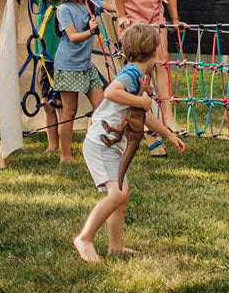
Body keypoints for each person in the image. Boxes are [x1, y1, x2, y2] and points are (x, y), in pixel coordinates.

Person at [73, 23, 185, 262]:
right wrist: (143, 101)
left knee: (121, 195)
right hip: (101, 143)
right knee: (117, 195)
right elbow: (111, 92)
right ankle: (84, 238)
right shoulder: (131, 73)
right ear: (155, 49)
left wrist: (168, 135)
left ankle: (116, 247)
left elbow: (146, 114)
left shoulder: (140, 75)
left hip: (112, 144)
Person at [112, 0, 182, 140]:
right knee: (140, 66)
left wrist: (175, 19)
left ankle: (168, 116)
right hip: (133, 8)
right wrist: (122, 15)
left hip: (154, 9)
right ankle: (140, 112)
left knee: (162, 61)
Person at [55, 0, 113, 164]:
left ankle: (96, 148)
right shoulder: (64, 9)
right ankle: (65, 156)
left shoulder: (90, 2)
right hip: (68, 65)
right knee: (69, 111)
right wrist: (90, 31)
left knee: (102, 107)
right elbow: (72, 37)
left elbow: (109, 8)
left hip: (86, 65)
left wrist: (128, 9)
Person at [30, 0, 63, 154]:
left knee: (62, 104)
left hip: (62, 61)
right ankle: (52, 144)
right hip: (45, 61)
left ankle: (64, 143)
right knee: (46, 104)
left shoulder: (65, 5)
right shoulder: (43, 3)